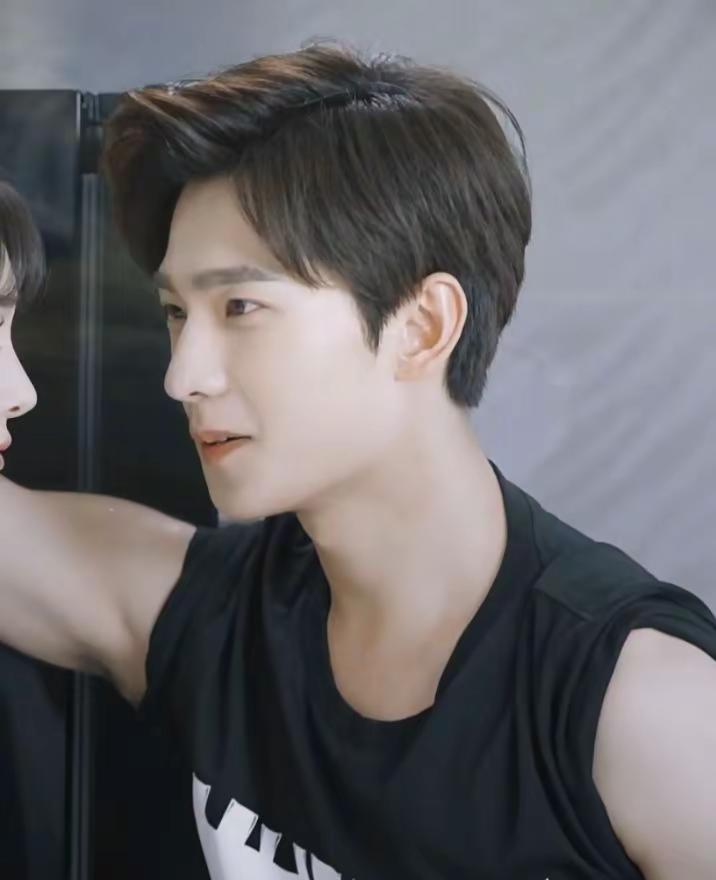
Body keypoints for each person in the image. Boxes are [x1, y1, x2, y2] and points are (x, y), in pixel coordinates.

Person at [1, 44, 715, 879]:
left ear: (421, 327)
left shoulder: (646, 705)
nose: (183, 375)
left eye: (241, 307)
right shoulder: (210, 619)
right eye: (175, 312)